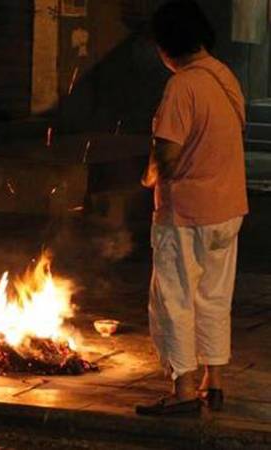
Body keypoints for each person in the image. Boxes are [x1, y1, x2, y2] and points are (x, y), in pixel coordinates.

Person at [137, 0, 248, 416]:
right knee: (215, 297)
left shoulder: (182, 85)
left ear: (166, 45)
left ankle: (183, 390)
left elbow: (167, 154)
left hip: (186, 213)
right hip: (228, 208)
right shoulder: (224, 76)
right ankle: (213, 382)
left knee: (175, 297)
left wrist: (149, 177)